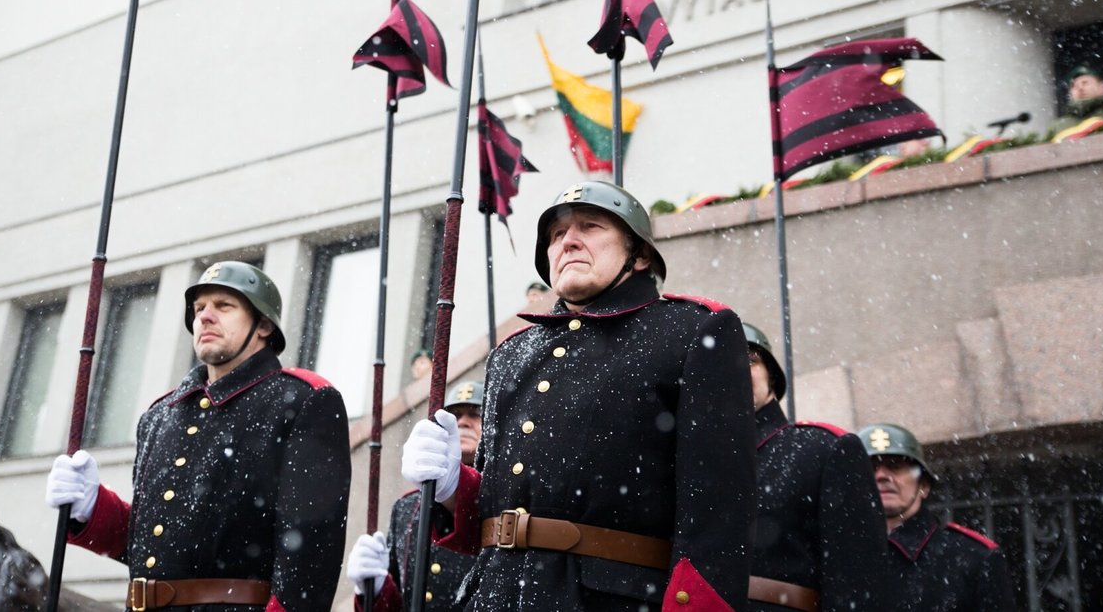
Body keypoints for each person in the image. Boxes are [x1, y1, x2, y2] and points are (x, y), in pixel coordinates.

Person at [402, 181, 756, 611]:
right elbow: (503, 504)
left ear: (640, 254)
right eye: (555, 236)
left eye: (589, 227)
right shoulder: (511, 355)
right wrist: (455, 487)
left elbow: (716, 511)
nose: (567, 241)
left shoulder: (689, 331)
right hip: (495, 596)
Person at [45, 261, 351, 612]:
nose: (204, 317)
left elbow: (310, 560)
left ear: (264, 325)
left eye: (224, 306)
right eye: (199, 308)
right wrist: (91, 508)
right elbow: (155, 548)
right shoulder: (160, 414)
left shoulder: (302, 401)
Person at [743, 323, 889, 611]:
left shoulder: (822, 449)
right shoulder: (687, 462)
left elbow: (858, 581)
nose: (734, 368)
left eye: (749, 359)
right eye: (721, 361)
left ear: (772, 379)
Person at [346, 380, 484, 611]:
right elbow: (398, 603)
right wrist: (376, 589)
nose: (463, 422)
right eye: (455, 415)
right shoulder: (406, 508)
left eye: (475, 413)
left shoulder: (503, 498)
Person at [858, 423, 1017, 611]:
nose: (882, 476)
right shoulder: (836, 556)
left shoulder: (973, 558)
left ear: (923, 486)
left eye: (895, 465)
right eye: (869, 468)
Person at [1053, 65, 1103, 136]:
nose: (1080, 88)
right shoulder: (1057, 127)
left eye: (1085, 83)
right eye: (1074, 86)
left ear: (1101, 88)